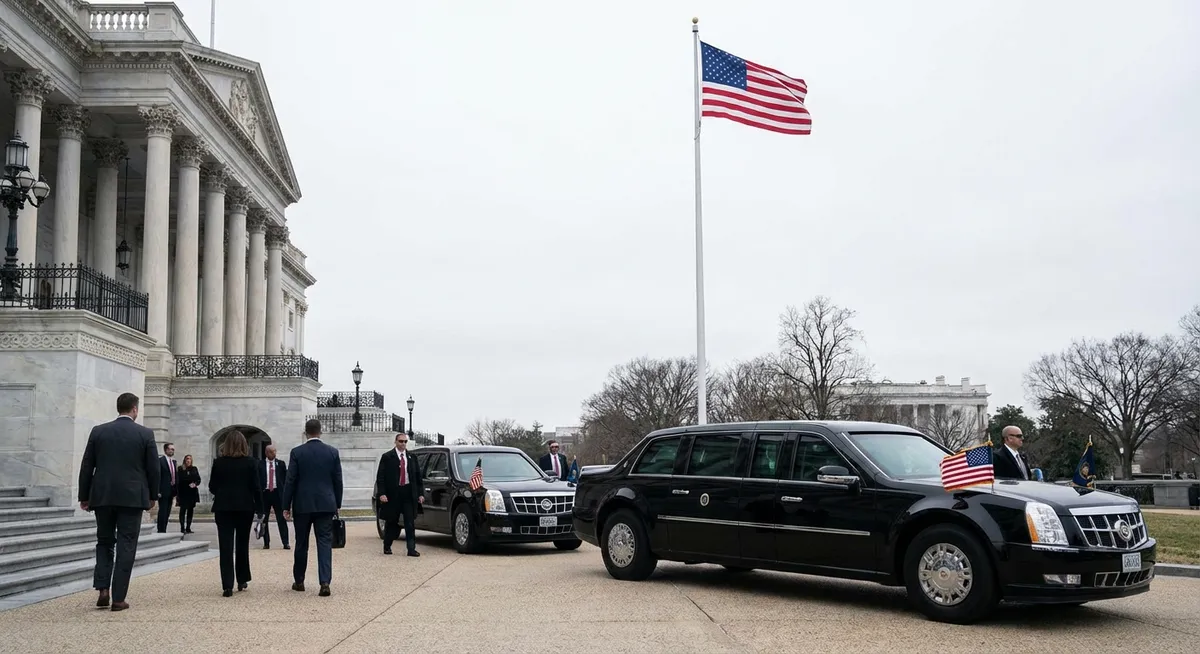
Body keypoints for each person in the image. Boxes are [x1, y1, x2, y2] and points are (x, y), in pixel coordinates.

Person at [77, 392, 159, 612]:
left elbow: (87, 466)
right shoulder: (145, 433)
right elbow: (153, 469)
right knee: (126, 545)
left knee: (104, 541)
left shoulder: (99, 431)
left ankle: (103, 588)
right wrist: (153, 495)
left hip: (102, 495)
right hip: (132, 497)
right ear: (134, 409)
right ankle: (118, 597)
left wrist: (84, 496)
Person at [282, 418, 343, 597]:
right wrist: (337, 503)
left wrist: (286, 505)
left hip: (303, 504)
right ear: (320, 431)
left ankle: (299, 580)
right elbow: (337, 480)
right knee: (324, 543)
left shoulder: (297, 452)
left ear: (306, 432)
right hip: (326, 503)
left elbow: (290, 480)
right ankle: (324, 581)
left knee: (301, 543)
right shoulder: (332, 452)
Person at [208, 430, 264, 597]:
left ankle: (227, 584)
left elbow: (212, 486)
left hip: (223, 507)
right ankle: (241, 578)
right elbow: (256, 487)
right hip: (244, 507)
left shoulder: (219, 463)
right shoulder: (251, 463)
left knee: (225, 546)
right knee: (242, 544)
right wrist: (261, 510)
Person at [376, 432, 424, 556]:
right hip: (393, 494)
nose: (403, 444)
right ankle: (387, 545)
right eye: (401, 441)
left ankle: (411, 549)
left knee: (409, 522)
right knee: (392, 522)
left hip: (408, 493)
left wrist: (420, 494)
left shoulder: (411, 457)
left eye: (405, 442)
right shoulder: (387, 457)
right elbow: (380, 477)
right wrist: (382, 493)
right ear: (396, 442)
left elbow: (418, 478)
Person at [258, 444, 290, 550]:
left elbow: (285, 479)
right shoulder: (260, 464)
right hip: (265, 493)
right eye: (272, 452)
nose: (274, 453)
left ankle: (285, 542)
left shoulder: (280, 464)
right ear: (266, 453)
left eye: (275, 451)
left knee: (281, 518)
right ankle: (266, 542)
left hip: (277, 493)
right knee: (264, 519)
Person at [156, 442, 178, 533]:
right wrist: (158, 490)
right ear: (166, 450)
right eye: (171, 449)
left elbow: (175, 475)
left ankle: (165, 527)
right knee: (163, 510)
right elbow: (157, 476)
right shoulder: (160, 461)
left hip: (171, 490)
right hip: (163, 489)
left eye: (173, 449)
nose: (172, 450)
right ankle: (161, 529)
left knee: (168, 510)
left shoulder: (174, 462)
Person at [177, 455, 201, 534]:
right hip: (183, 492)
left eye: (190, 459)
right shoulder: (181, 469)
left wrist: (195, 484)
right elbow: (180, 480)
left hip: (192, 492)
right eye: (187, 459)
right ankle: (182, 528)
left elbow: (198, 479)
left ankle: (188, 527)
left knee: (190, 511)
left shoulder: (194, 469)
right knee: (183, 510)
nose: (188, 460)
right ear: (184, 460)